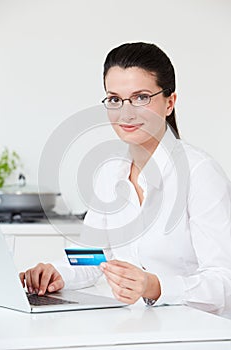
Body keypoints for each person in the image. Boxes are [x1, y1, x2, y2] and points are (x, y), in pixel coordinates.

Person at [20, 42, 231, 316]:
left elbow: (224, 281)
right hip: (138, 326)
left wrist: (156, 286)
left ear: (170, 102)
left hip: (200, 332)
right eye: (115, 99)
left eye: (141, 97)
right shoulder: (110, 172)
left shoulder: (200, 173)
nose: (126, 113)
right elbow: (93, 257)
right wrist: (56, 273)